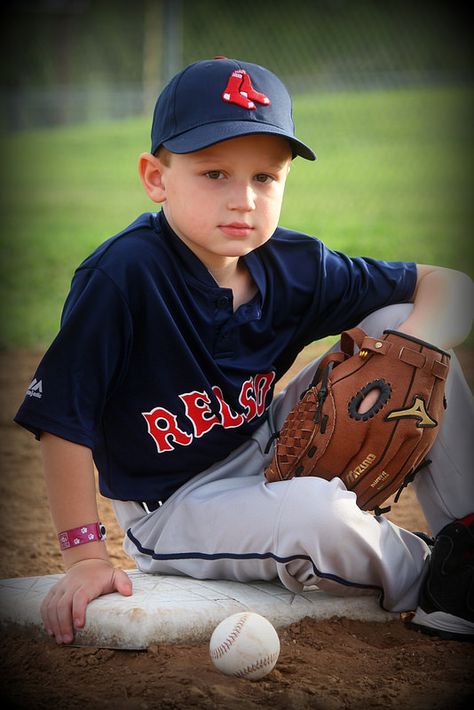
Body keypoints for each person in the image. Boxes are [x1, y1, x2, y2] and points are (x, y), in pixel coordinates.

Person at [15, 57, 474, 646]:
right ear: (157, 178)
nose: (244, 200)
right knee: (316, 515)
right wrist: (83, 558)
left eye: (265, 177)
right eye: (214, 174)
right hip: (175, 505)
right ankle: (443, 578)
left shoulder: (293, 264)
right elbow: (63, 423)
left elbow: (451, 286)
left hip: (268, 451)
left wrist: (415, 343)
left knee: (403, 331)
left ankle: (468, 530)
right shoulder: (123, 276)